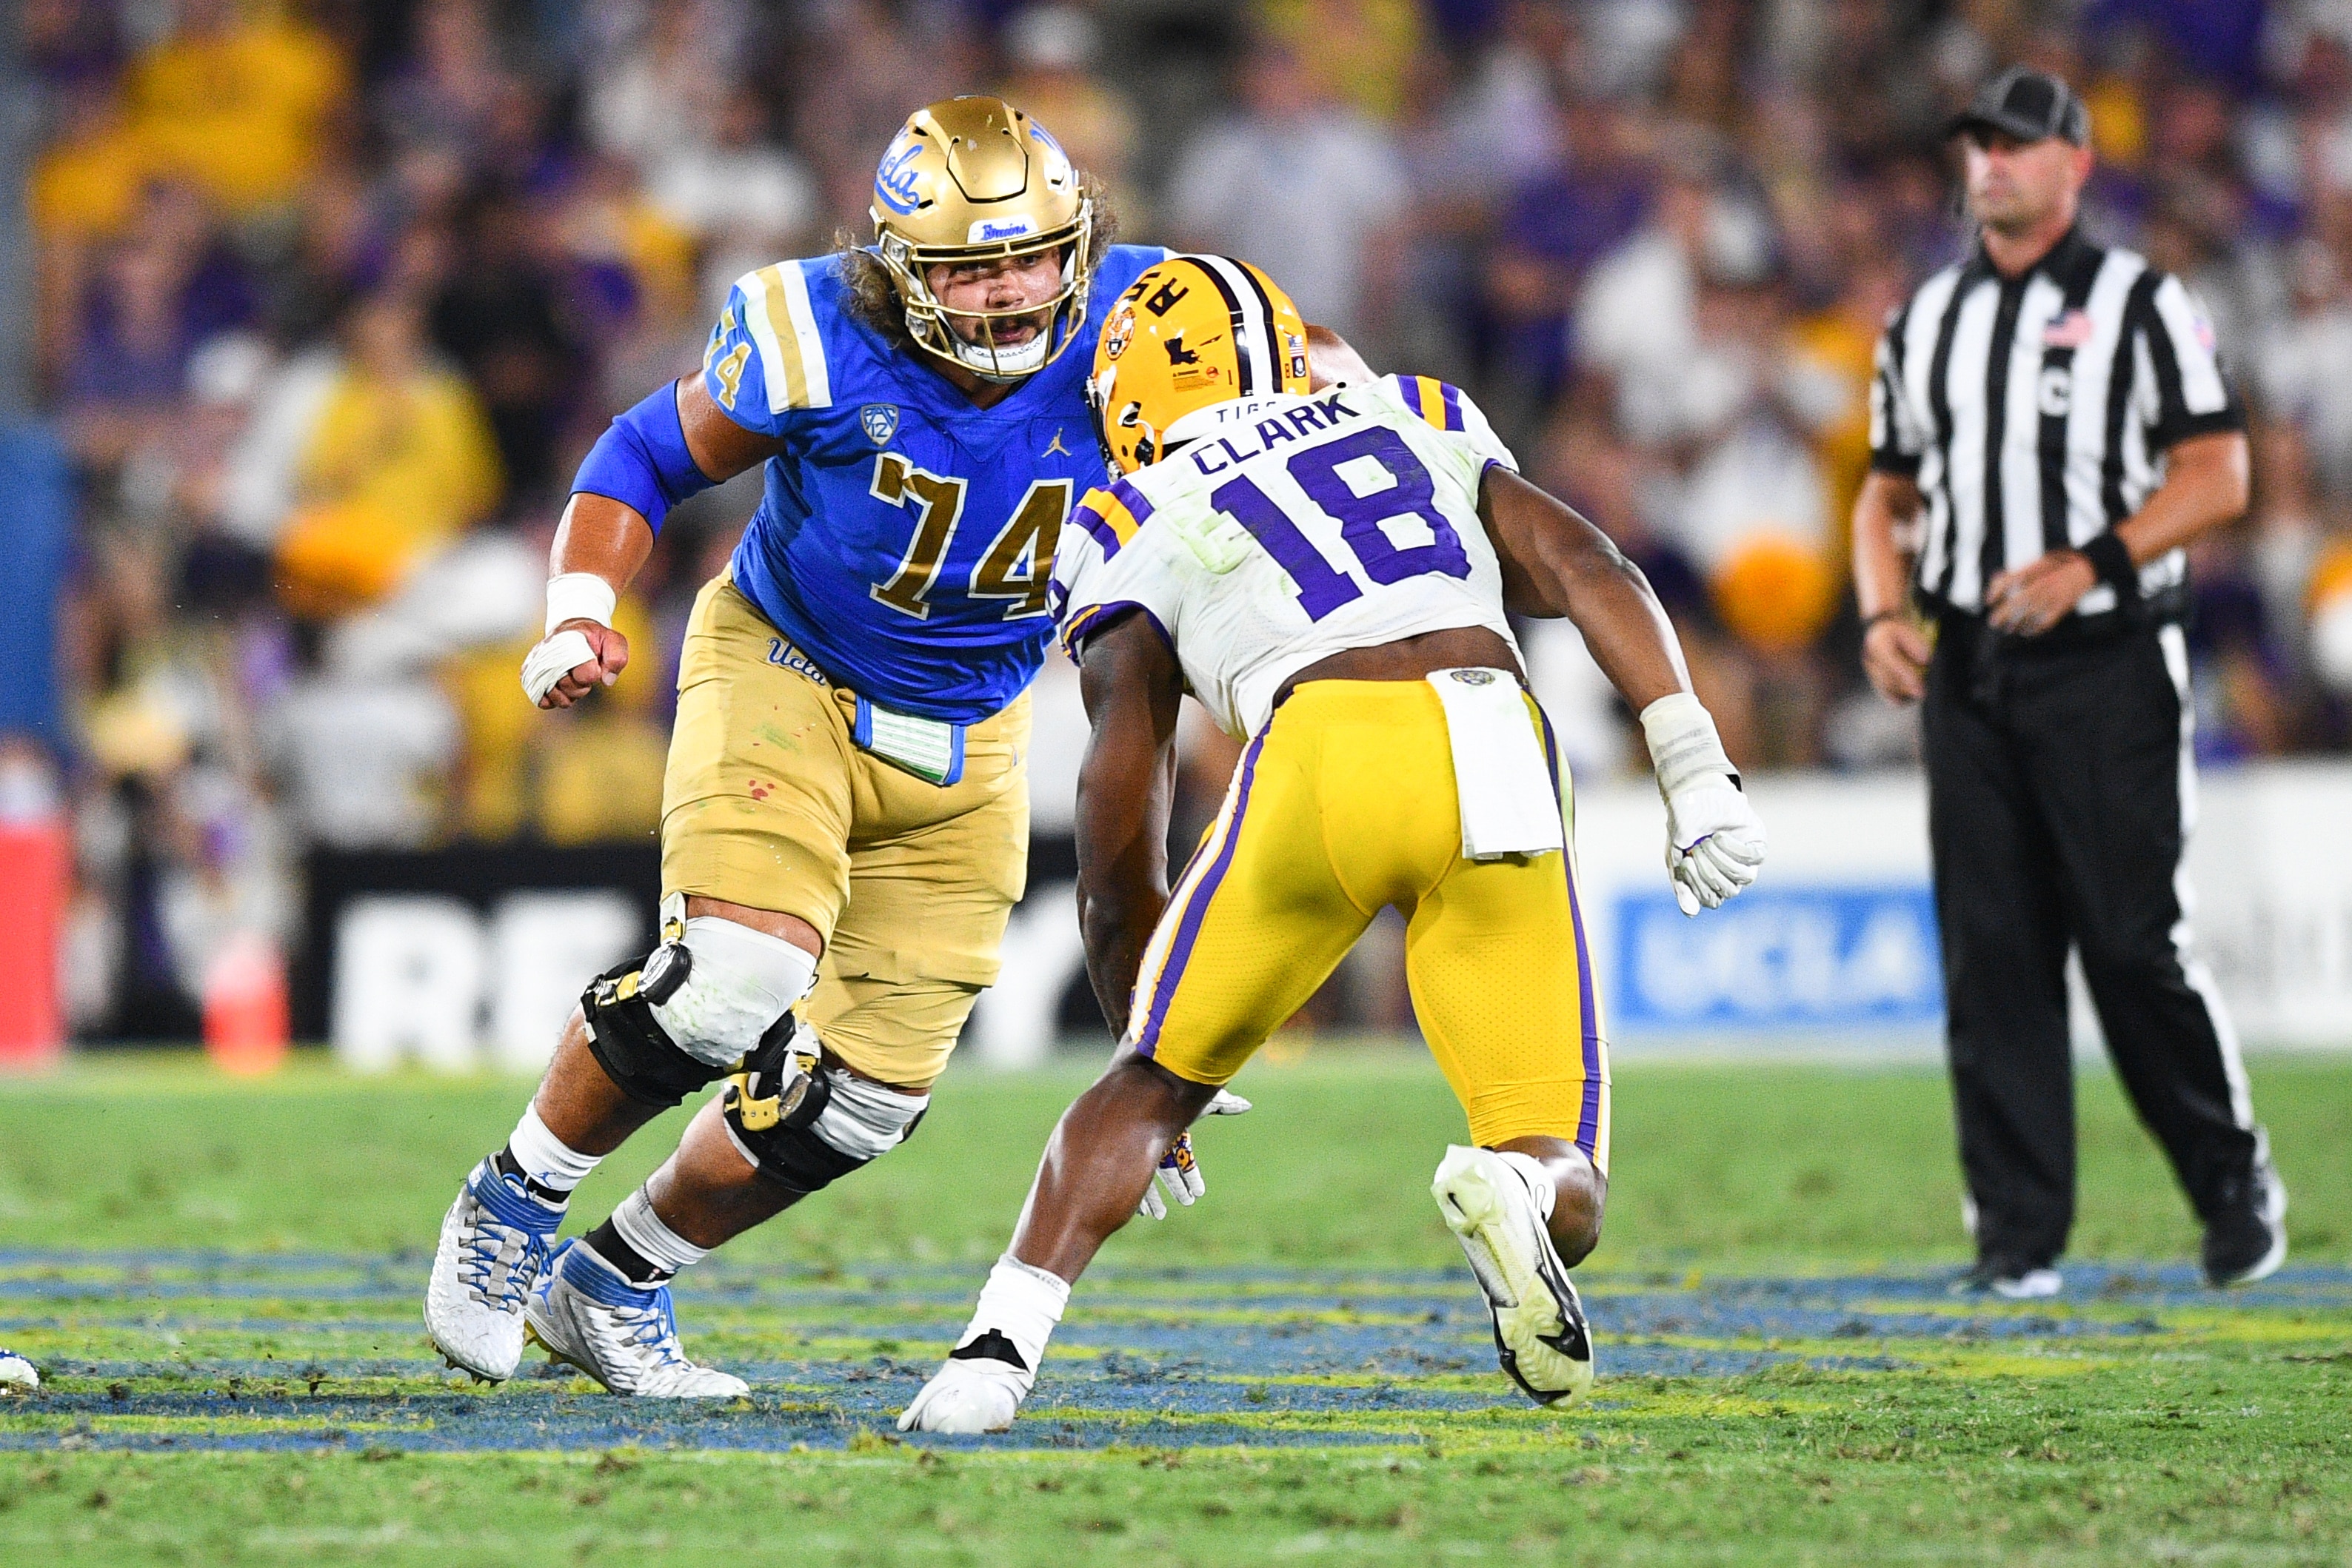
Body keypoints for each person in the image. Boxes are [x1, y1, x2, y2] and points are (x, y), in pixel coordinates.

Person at [423, 98, 1229, 1396]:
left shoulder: (1163, 328)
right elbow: (642, 454)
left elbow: (1318, 398)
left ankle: (614, 1284)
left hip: (976, 725)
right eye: (971, 265)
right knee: (737, 971)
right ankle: (511, 1203)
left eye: (1032, 254)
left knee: (864, 1101)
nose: (1012, 291)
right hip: (790, 668)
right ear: (900, 267)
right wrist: (582, 607)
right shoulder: (822, 333)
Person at [897, 255, 1767, 1434]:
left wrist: (1143, 1022)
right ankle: (1513, 1182)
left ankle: (992, 1355)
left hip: (1327, 742)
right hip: (1496, 729)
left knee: (1149, 1083)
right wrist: (1691, 763)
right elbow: (1586, 565)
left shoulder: (1128, 511)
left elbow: (1121, 824)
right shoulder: (1413, 412)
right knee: (1564, 1172)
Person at [1852, 67, 2282, 1298]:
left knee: (2131, 943)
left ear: (2076, 163)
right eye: (1978, 144)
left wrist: (2089, 560)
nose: (1992, 164)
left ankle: (2228, 1173)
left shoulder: (2142, 302)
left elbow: (2219, 474)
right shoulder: (1923, 318)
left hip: (2104, 660)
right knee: (1993, 958)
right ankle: (2017, 1238)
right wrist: (1884, 609)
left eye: (2019, 145)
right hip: (1973, 668)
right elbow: (1883, 496)